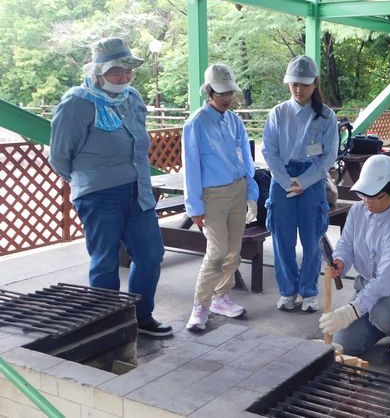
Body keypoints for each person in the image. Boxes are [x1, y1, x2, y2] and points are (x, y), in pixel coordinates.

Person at [49, 37, 172, 337]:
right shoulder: (77, 103)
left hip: (138, 189)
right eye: (117, 71)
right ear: (98, 72)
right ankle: (108, 325)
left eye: (129, 71)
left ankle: (140, 317)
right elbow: (60, 156)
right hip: (99, 195)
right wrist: (89, 181)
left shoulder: (132, 98)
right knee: (105, 261)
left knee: (150, 255)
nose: (125, 77)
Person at [318, 155, 390, 356]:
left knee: (382, 312)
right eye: (363, 194)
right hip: (369, 287)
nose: (367, 201)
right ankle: (384, 327)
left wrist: (351, 311)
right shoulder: (357, 210)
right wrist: (341, 260)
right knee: (344, 343)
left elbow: (385, 281)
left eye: (374, 196)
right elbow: (346, 244)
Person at [183, 64, 259, 330]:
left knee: (233, 252)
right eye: (222, 93)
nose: (228, 98)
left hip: (238, 190)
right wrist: (194, 206)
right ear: (209, 91)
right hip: (212, 196)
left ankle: (222, 297)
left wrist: (251, 193)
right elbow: (191, 166)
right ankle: (201, 305)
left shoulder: (234, 121)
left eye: (230, 93)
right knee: (216, 253)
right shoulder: (196, 123)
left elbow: (246, 160)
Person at [262, 55, 339, 312]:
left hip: (313, 179)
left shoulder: (326, 116)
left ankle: (308, 291)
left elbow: (328, 156)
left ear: (315, 84)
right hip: (281, 178)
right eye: (294, 84)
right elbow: (269, 151)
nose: (298, 89)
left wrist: (303, 182)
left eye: (304, 84)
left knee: (312, 238)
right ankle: (287, 291)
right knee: (281, 239)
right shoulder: (278, 113)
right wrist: (287, 181)